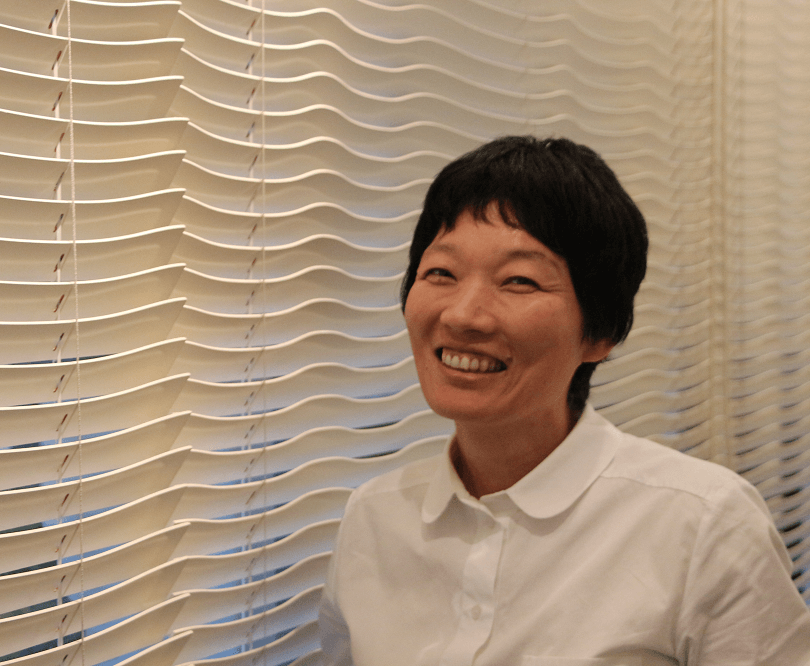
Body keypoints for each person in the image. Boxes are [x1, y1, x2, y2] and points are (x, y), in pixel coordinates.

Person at [318, 136, 810, 665]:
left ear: (600, 334)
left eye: (519, 281)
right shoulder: (373, 518)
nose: (462, 315)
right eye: (441, 273)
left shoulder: (704, 524)